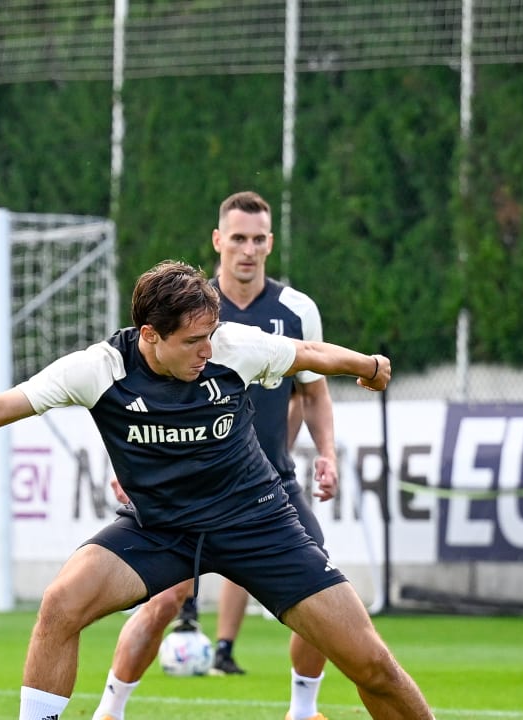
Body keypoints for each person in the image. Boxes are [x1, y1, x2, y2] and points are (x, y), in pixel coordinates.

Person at [0, 260, 433, 720]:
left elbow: (310, 353)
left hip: (257, 522)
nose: (207, 349)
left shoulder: (233, 347)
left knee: (371, 664)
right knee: (61, 603)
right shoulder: (99, 369)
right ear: (149, 335)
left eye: (211, 335)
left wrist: (369, 366)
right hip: (161, 529)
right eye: (192, 340)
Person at [91, 191, 342, 720]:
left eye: (258, 240)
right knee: (162, 601)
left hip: (268, 487)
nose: (248, 250)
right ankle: (109, 711)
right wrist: (129, 470)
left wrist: (327, 454)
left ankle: (303, 710)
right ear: (217, 241)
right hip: (185, 492)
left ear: (270, 243)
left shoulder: (297, 311)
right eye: (238, 239)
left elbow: (313, 391)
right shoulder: (185, 311)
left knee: (324, 586)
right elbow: (127, 394)